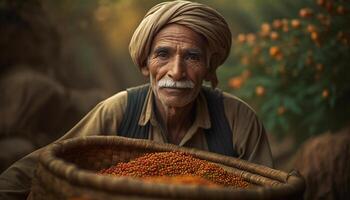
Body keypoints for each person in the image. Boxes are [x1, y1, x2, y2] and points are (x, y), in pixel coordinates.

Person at [0, 0, 273, 199]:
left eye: (192, 57)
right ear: (145, 64)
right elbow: (40, 165)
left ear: (209, 68)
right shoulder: (119, 110)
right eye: (163, 55)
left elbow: (269, 191)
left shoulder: (237, 119)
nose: (176, 72)